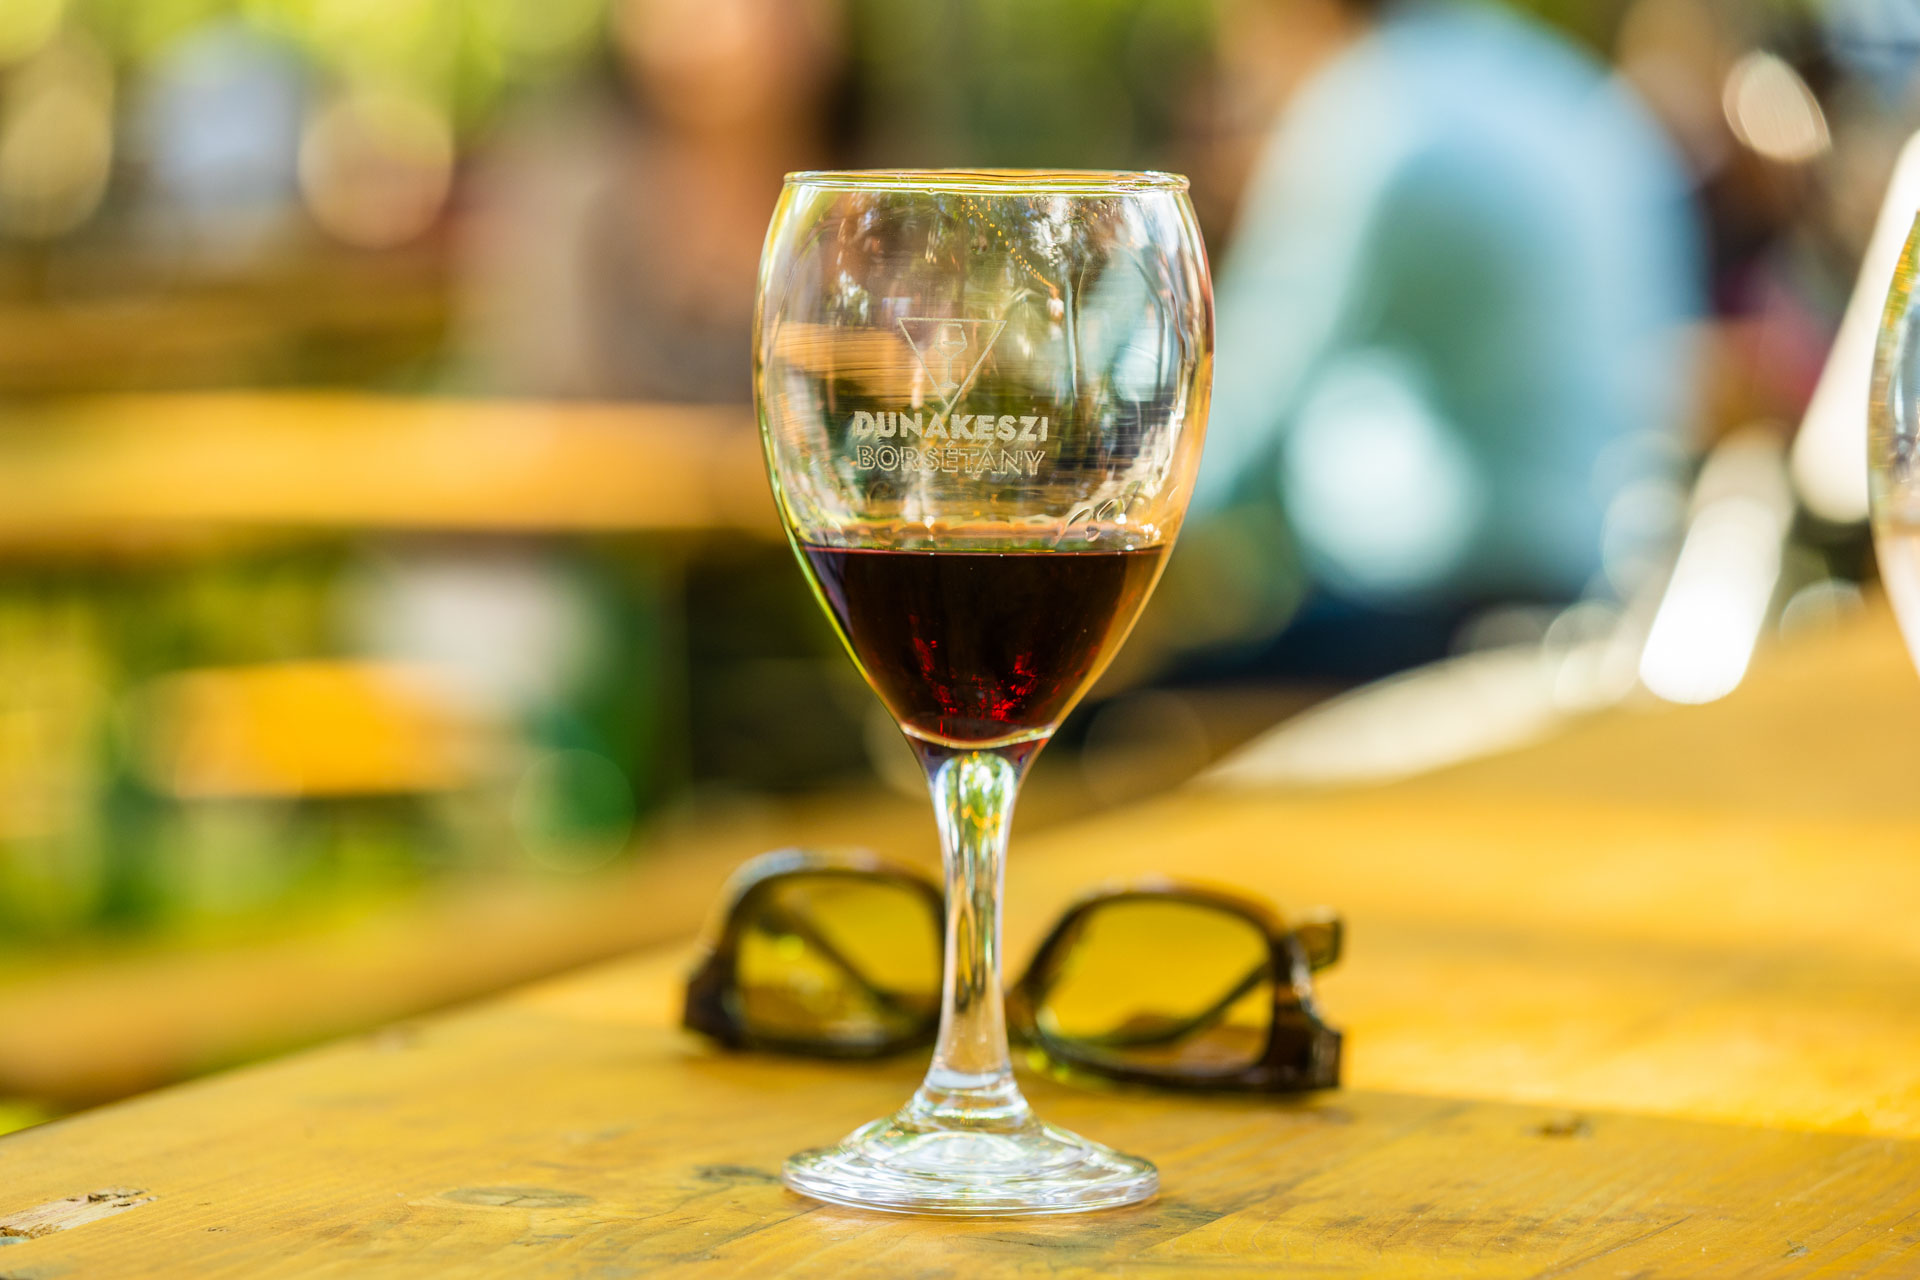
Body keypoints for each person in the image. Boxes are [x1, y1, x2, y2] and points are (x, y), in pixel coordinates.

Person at [1179, 0, 1703, 680]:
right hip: (1598, 581)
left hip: (1443, 616)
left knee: (1113, 716)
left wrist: (1084, 506)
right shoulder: (1559, 84)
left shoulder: (1376, 117)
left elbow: (1228, 419)